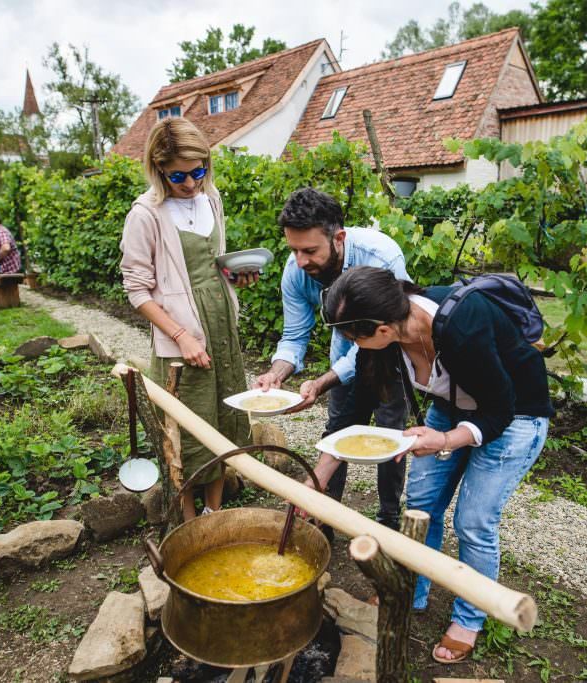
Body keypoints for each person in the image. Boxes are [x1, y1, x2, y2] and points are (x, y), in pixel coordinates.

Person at [308, 266, 554, 664]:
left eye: (353, 336)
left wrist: (445, 440)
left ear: (384, 328)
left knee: (473, 521)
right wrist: (316, 480)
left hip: (515, 415)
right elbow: (352, 417)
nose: (351, 344)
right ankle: (412, 592)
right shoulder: (386, 341)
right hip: (451, 406)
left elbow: (499, 410)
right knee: (421, 506)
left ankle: (470, 618)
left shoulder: (463, 325)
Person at [120, 116, 257, 521]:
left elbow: (212, 266)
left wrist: (236, 277)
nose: (192, 182)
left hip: (220, 328)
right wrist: (182, 336)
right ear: (158, 167)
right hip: (182, 337)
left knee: (223, 416)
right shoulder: (145, 214)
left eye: (200, 170)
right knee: (184, 426)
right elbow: (137, 291)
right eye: (180, 174)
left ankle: (214, 512)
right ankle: (188, 520)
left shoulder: (211, 199)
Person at [252, 188, 410, 530]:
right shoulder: (297, 270)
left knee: (390, 436)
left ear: (338, 238)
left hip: (389, 358)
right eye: (293, 250)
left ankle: (388, 521)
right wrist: (277, 374)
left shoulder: (381, 256)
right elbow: (295, 336)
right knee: (336, 433)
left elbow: (388, 332)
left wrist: (322, 382)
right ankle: (321, 520)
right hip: (344, 359)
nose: (301, 261)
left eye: (310, 250)